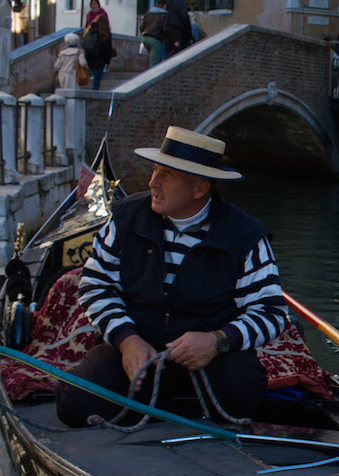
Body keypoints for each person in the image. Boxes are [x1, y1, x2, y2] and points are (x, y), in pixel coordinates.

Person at [56, 127, 288, 428]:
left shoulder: (246, 236)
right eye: (155, 170)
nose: (153, 182)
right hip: (136, 351)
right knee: (75, 405)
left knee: (243, 390)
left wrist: (217, 341)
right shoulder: (125, 218)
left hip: (211, 358)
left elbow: (270, 313)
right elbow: (96, 286)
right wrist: (127, 341)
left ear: (200, 188)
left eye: (167, 175)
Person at [83, 10, 113, 90]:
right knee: (96, 82)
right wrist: (107, 63)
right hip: (99, 60)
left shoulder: (89, 31)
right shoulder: (105, 34)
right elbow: (107, 49)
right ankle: (93, 99)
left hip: (89, 58)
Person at [140, 0, 169, 67]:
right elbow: (165, 29)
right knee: (154, 62)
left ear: (156, 4)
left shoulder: (148, 13)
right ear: (164, 6)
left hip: (145, 38)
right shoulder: (164, 14)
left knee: (153, 57)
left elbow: (141, 27)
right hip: (155, 39)